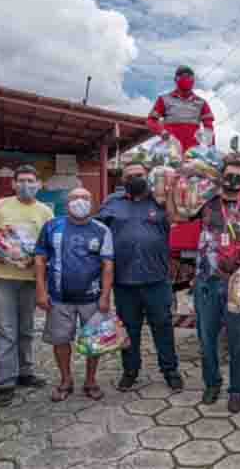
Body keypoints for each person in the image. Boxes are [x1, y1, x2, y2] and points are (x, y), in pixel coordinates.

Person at [171, 157, 240, 412]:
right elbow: (178, 215)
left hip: (237, 285)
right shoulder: (206, 204)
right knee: (207, 339)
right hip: (206, 283)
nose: (233, 179)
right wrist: (175, 186)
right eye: (229, 174)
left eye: (239, 176)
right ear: (221, 177)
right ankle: (212, 383)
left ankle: (237, 389)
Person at [97, 159, 184, 392]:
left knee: (163, 327)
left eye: (139, 175)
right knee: (129, 329)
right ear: (122, 180)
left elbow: (175, 218)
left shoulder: (159, 201)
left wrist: (170, 191)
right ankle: (130, 371)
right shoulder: (112, 203)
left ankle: (170, 371)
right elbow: (97, 230)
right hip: (124, 281)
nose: (134, 179)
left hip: (157, 280)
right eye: (129, 176)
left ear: (147, 177)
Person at [0, 165, 54, 407]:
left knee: (26, 329)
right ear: (13, 184)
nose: (25, 185)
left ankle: (25, 373)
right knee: (5, 330)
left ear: (39, 185)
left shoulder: (46, 212)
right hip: (0, 278)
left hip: (30, 279)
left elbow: (48, 246)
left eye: (30, 181)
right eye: (21, 181)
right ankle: (6, 383)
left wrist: (37, 263)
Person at [34, 188, 114, 402]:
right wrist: (41, 290)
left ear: (93, 202)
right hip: (59, 298)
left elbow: (107, 265)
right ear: (66, 202)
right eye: (74, 198)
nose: (80, 201)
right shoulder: (52, 226)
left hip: (92, 298)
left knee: (94, 341)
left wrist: (106, 296)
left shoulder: (102, 230)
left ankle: (91, 381)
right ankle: (66, 380)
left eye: (85, 198)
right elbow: (40, 259)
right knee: (60, 341)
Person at [147, 65, 215, 151]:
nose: (186, 79)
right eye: (182, 77)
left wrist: (212, 149)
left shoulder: (202, 103)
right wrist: (162, 132)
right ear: (176, 79)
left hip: (193, 151)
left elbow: (209, 128)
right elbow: (151, 121)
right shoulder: (164, 100)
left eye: (189, 77)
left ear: (193, 80)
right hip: (170, 149)